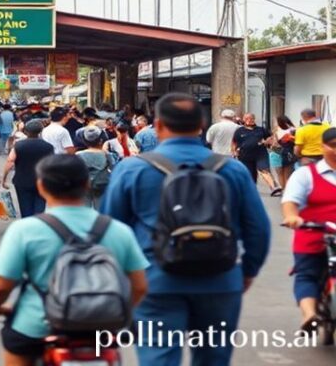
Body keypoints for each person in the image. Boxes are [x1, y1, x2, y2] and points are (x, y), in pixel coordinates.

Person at [100, 93, 271, 366]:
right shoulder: (233, 170)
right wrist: (247, 271)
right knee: (213, 358)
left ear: (157, 125)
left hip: (153, 282)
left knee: (159, 358)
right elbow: (258, 229)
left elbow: (110, 231)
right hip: (220, 278)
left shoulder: (133, 169)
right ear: (201, 126)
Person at [0, 154, 149, 366]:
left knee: (15, 342)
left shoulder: (25, 230)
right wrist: (117, 312)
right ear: (87, 184)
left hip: (38, 325)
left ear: (41, 186)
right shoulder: (118, 230)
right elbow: (140, 286)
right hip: (100, 327)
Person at [281, 127, 336, 332]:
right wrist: (292, 217)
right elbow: (290, 201)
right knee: (306, 274)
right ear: (323, 147)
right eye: (333, 146)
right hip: (313, 234)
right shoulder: (305, 175)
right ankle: (309, 314)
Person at [1, 119, 54, 217]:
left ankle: (27, 226)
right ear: (40, 131)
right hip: (42, 181)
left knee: (25, 207)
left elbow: (10, 161)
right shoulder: (48, 147)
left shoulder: (18, 145)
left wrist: (3, 179)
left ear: (26, 131)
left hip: (22, 181)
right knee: (40, 206)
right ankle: (38, 224)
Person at [232, 113, 282, 196]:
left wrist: (268, 142)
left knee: (264, 169)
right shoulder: (239, 131)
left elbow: (271, 137)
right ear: (243, 120)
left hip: (260, 153)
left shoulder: (261, 129)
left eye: (251, 118)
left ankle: (274, 188)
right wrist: (234, 151)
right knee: (250, 173)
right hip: (245, 156)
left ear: (254, 119)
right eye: (247, 118)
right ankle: (251, 189)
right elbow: (234, 142)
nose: (249, 120)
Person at [76, 126, 115, 208]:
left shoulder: (78, 155)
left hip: (83, 187)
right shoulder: (107, 155)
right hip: (101, 186)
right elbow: (113, 171)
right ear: (101, 140)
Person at [270, 115, 297, 190]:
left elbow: (274, 143)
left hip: (276, 153)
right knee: (287, 175)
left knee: (280, 174)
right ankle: (288, 192)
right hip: (288, 153)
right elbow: (296, 142)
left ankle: (284, 191)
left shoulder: (276, 130)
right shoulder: (293, 130)